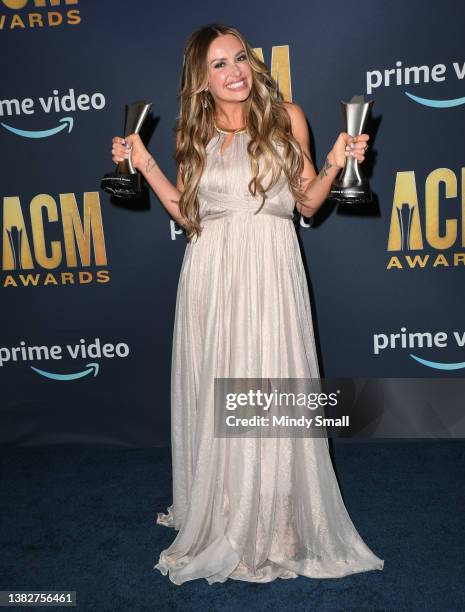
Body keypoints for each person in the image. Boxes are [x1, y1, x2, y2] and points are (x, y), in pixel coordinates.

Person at [111, 23, 383, 585]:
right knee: (219, 387)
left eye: (239, 57)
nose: (234, 71)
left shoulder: (288, 115)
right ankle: (228, 510)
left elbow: (307, 206)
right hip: (211, 273)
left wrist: (334, 162)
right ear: (200, 79)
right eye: (218, 64)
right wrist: (144, 164)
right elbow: (189, 217)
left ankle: (279, 517)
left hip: (272, 269)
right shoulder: (195, 130)